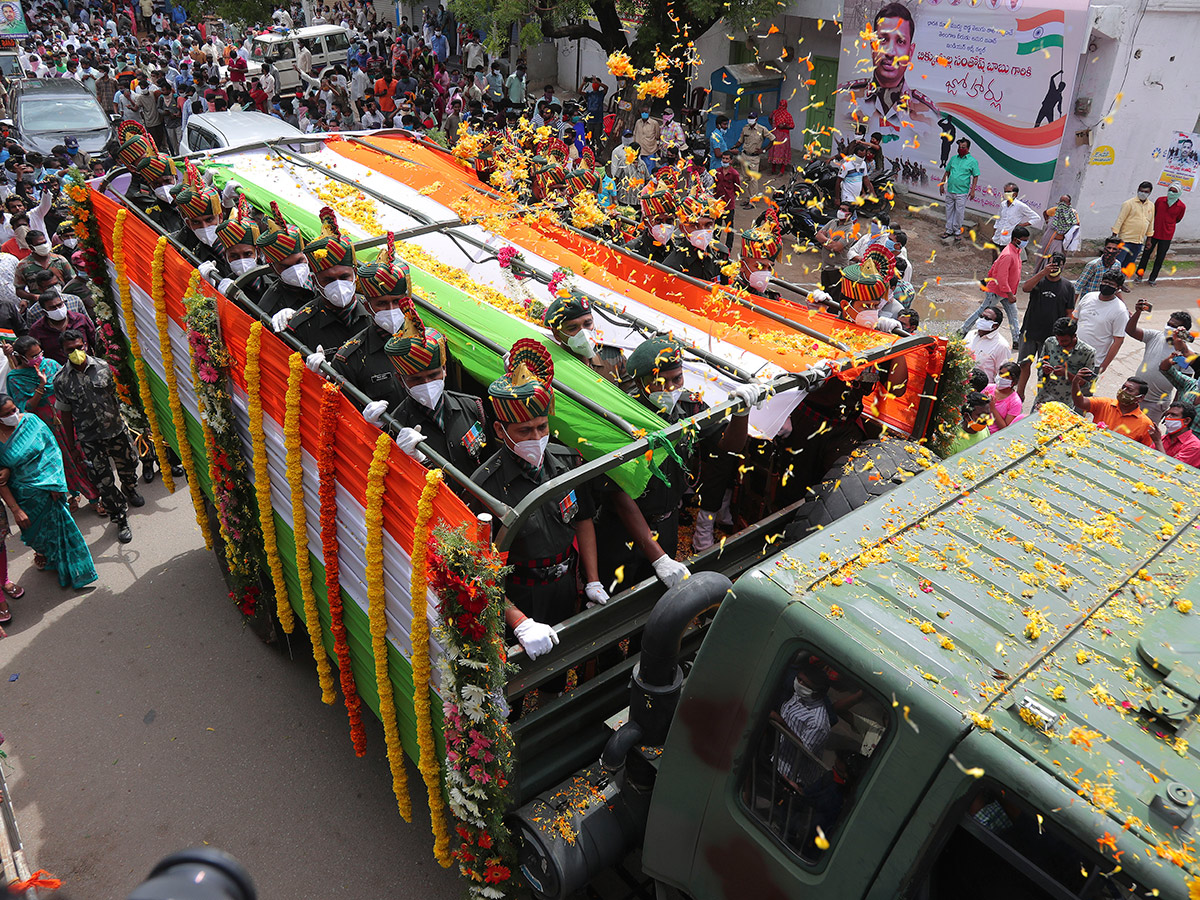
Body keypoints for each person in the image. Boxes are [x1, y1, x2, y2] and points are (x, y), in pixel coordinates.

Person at [471, 339, 604, 660]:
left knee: (556, 673)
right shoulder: (485, 486)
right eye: (524, 430)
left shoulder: (568, 463)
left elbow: (583, 520)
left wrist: (593, 580)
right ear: (501, 431)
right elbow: (478, 566)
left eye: (542, 427)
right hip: (516, 592)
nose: (536, 438)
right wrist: (518, 622)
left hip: (563, 584)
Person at [0, 393, 96, 588]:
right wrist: (15, 509)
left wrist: (55, 483)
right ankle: (45, 554)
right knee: (38, 537)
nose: (14, 414)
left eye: (14, 409)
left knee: (63, 530)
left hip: (49, 490)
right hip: (23, 498)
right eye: (7, 413)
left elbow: (52, 450)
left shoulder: (31, 421)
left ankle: (78, 571)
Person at [381, 301, 490, 473]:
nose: (427, 384)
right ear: (401, 381)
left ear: (445, 370)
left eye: (433, 375)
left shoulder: (472, 407)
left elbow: (489, 461)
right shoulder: (396, 426)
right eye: (416, 379)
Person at [5, 335, 97, 507]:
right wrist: (41, 386)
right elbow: (26, 408)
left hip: (67, 418)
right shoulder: (15, 378)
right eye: (33, 356)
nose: (39, 358)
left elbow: (68, 387)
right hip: (45, 426)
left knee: (80, 454)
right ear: (22, 357)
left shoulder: (51, 364)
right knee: (61, 460)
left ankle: (96, 494)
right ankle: (81, 495)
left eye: (40, 353)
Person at [332, 238, 412, 418]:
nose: (391, 309)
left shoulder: (432, 344)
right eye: (382, 304)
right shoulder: (349, 359)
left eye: (397, 302)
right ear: (368, 307)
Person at [288, 207, 370, 367]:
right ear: (315, 281)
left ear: (354, 273)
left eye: (344, 277)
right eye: (328, 279)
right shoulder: (301, 325)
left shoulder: (375, 312)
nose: (338, 285)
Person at [838, 2, 939, 131]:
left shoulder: (930, 116)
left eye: (900, 42)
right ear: (872, 46)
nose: (890, 52)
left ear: (910, 51)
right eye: (883, 40)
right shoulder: (843, 97)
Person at [543, 291, 631, 391]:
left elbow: (634, 396)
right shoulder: (551, 366)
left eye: (588, 324)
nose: (583, 332)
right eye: (572, 328)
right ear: (557, 334)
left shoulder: (614, 357)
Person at [1016, 253, 1074, 398]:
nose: (1054, 267)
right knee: (1024, 364)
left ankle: (1041, 398)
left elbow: (1069, 313)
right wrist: (1043, 272)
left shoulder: (1068, 287)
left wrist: (1067, 335)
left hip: (1051, 337)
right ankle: (1019, 394)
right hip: (1029, 331)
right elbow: (1025, 288)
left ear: (1063, 266)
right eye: (1051, 263)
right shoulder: (1039, 281)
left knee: (1045, 369)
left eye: (1057, 264)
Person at [960, 225, 1029, 346]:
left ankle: (1016, 340)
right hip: (998, 291)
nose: (1025, 242)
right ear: (1015, 239)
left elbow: (994, 267)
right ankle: (963, 331)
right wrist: (1009, 294)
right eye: (1024, 240)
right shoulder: (1008, 254)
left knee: (1013, 315)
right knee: (982, 312)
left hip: (1007, 292)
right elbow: (1002, 278)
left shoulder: (1015, 251)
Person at [1125, 300, 1191, 422]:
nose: (1169, 327)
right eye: (1169, 323)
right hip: (1135, 395)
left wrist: (1174, 408)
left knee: (1144, 434)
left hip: (1155, 403)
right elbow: (1131, 331)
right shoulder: (1155, 336)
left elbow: (1183, 386)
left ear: (1183, 331)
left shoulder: (1186, 354)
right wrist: (1138, 312)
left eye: (1174, 326)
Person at [255, 202, 312, 320]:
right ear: (273, 268)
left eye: (299, 262)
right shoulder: (269, 306)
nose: (296, 271)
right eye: (286, 267)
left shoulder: (323, 279)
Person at [1070, 372, 1155, 447]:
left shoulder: (1145, 424)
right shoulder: (1105, 404)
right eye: (1123, 387)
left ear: (1140, 398)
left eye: (1129, 390)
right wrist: (1075, 383)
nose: (1123, 391)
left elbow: (1144, 452)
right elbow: (1080, 403)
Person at [1033, 317, 1096, 409]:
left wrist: (1066, 374)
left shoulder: (1088, 353)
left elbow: (1086, 385)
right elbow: (1040, 365)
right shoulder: (1050, 342)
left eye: (1064, 341)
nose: (1060, 343)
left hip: (1065, 403)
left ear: (1074, 336)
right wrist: (1044, 370)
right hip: (1043, 398)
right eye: (1058, 339)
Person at [1074, 272, 1129, 376]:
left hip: (1093, 361)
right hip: (1071, 354)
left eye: (1111, 284)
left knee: (1082, 391)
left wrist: (1103, 366)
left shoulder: (1120, 311)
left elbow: (1118, 341)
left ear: (1118, 288)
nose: (1106, 285)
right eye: (1105, 282)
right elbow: (1074, 319)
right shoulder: (1088, 297)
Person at [663, 193, 726, 281]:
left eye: (708, 225)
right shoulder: (673, 266)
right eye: (694, 225)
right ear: (682, 228)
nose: (702, 231)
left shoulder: (720, 254)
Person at [1136, 181, 1186, 286]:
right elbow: (1154, 214)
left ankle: (1152, 278)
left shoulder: (1181, 206)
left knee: (1160, 257)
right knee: (1146, 254)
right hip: (1154, 232)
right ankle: (1139, 275)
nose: (1171, 193)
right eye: (1170, 191)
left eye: (1174, 191)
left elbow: (1178, 219)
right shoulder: (1160, 201)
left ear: (1179, 193)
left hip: (1167, 235)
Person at [30, 290, 95, 365]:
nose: (58, 309)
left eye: (59, 305)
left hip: (88, 365)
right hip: (59, 372)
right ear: (44, 312)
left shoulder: (80, 319)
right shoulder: (37, 330)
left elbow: (95, 341)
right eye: (53, 308)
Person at [626, 188, 678, 264]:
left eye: (669, 221)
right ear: (646, 222)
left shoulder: (678, 249)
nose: (664, 226)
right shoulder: (631, 250)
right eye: (658, 221)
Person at [940, 138, 978, 240]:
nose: (961, 149)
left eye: (963, 147)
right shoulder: (953, 159)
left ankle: (957, 231)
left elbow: (975, 176)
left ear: (968, 148)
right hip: (950, 189)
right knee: (949, 210)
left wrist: (973, 190)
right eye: (959, 147)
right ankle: (948, 230)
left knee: (959, 212)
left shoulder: (972, 161)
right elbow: (947, 172)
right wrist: (942, 184)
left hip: (962, 192)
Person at [1112, 181, 1155, 269]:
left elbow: (1150, 222)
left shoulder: (1151, 206)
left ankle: (1120, 281)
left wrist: (1149, 239)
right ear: (1138, 190)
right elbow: (1120, 220)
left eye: (1146, 192)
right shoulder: (1128, 204)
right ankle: (1111, 281)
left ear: (1150, 193)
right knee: (1117, 263)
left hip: (1138, 242)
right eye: (1141, 191)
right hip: (1125, 240)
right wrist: (1114, 238)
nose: (1143, 193)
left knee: (1128, 265)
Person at [991, 182, 1037, 261]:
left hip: (1009, 239)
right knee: (995, 260)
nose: (1006, 194)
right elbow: (999, 218)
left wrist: (1022, 225)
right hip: (998, 237)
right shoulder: (1003, 204)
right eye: (1005, 191)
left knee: (1005, 261)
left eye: (1008, 192)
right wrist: (995, 231)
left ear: (1015, 194)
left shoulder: (1020, 206)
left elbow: (1036, 218)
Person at [733, 112, 773, 199]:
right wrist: (734, 147)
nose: (750, 119)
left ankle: (753, 200)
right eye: (749, 117)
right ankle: (750, 197)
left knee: (753, 179)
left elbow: (772, 139)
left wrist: (763, 150)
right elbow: (740, 141)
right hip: (744, 156)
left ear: (756, 119)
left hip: (754, 158)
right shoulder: (745, 128)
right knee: (745, 177)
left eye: (752, 118)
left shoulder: (762, 129)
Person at [964, 306, 1009, 383]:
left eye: (987, 319)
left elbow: (1002, 375)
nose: (982, 320)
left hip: (983, 390)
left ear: (995, 325)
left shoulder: (1001, 345)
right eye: (981, 316)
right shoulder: (971, 334)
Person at [984, 361, 1023, 433]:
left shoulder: (1015, 402)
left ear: (1013, 382)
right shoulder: (988, 388)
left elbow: (1006, 429)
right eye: (1001, 374)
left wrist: (992, 409)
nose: (1001, 378)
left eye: (1007, 377)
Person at [1160, 402, 1200, 467]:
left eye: (1173, 415)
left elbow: (1170, 468)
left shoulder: (1194, 446)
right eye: (1167, 414)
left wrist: (1158, 442)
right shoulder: (1164, 438)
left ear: (1186, 421)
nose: (1168, 417)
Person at [1040, 193, 1078, 261]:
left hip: (1061, 241)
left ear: (1069, 203)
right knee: (1044, 258)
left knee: (1057, 259)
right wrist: (1047, 222)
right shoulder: (1054, 210)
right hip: (1050, 239)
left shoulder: (1072, 213)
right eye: (1061, 201)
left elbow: (1076, 225)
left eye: (1065, 202)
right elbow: (1045, 213)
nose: (1062, 204)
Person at [836, 142, 872, 207]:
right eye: (860, 156)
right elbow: (838, 182)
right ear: (854, 155)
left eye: (863, 156)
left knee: (851, 214)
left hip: (856, 196)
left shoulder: (863, 164)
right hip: (847, 196)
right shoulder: (846, 166)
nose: (861, 158)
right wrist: (837, 198)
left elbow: (865, 179)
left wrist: (872, 193)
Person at [768, 100, 794, 175]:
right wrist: (773, 125)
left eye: (783, 106)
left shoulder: (788, 115)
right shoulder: (774, 112)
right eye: (780, 105)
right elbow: (769, 118)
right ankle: (773, 170)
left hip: (783, 136)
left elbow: (792, 126)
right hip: (775, 135)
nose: (781, 107)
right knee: (774, 152)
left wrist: (784, 126)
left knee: (783, 153)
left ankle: (782, 171)